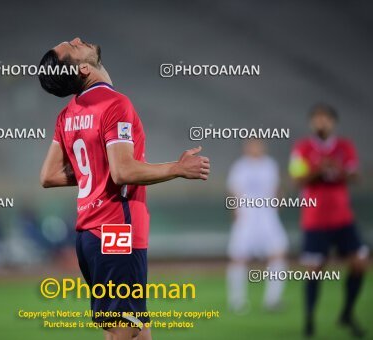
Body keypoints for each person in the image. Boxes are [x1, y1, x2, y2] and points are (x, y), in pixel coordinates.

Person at [38, 37, 210, 340]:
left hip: (88, 235)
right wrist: (177, 168)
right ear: (83, 70)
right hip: (116, 230)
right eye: (73, 47)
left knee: (138, 330)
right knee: (125, 329)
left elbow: (48, 175)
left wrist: (99, 172)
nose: (77, 40)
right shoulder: (114, 104)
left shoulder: (67, 115)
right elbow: (123, 171)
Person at [289, 104, 368, 338]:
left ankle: (347, 313)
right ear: (311, 123)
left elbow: (355, 175)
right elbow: (297, 179)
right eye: (317, 119)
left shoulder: (344, 147)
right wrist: (318, 170)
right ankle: (310, 320)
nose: (321, 123)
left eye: (325, 119)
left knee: (359, 263)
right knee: (314, 270)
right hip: (315, 219)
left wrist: (337, 169)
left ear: (333, 122)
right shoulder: (303, 148)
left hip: (343, 218)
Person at [226, 139, 288, 313]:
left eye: (258, 144)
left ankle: (272, 299)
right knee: (238, 257)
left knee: (278, 254)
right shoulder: (240, 167)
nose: (255, 148)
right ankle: (237, 301)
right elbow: (234, 192)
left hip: (267, 216)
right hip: (247, 216)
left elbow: (276, 190)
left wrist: (279, 201)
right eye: (251, 145)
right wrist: (236, 212)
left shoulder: (270, 165)